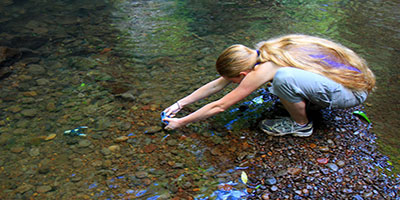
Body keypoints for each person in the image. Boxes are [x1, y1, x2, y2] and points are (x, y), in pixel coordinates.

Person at [162, 34, 375, 137]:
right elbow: (216, 86)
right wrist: (180, 104)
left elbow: (220, 105)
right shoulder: (260, 52)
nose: (231, 83)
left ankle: (301, 126)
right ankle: (307, 104)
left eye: (235, 80)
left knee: (283, 79)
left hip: (352, 93)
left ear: (244, 74)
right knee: (281, 82)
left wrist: (181, 123)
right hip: (348, 81)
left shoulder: (265, 69)